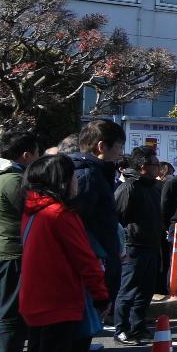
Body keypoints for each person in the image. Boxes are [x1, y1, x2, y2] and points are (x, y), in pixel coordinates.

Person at [15, 154, 112, 352]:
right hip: (58, 298)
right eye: (71, 177)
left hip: (34, 297)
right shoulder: (61, 214)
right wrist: (101, 295)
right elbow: (86, 260)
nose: (75, 183)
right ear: (61, 180)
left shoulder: (32, 211)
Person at [0, 128, 41, 352]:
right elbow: (31, 211)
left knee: (6, 306)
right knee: (10, 310)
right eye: (37, 154)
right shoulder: (13, 180)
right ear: (26, 155)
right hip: (10, 250)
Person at [72, 119, 129, 318]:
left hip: (99, 259)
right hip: (93, 263)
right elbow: (80, 227)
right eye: (119, 146)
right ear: (101, 146)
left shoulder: (95, 172)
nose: (121, 152)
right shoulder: (87, 175)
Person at [113, 154, 166, 344]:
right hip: (133, 245)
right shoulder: (129, 187)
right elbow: (117, 215)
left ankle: (138, 326)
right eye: (155, 164)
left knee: (146, 289)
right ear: (143, 166)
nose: (158, 168)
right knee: (128, 289)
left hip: (152, 244)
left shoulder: (156, 187)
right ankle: (122, 329)